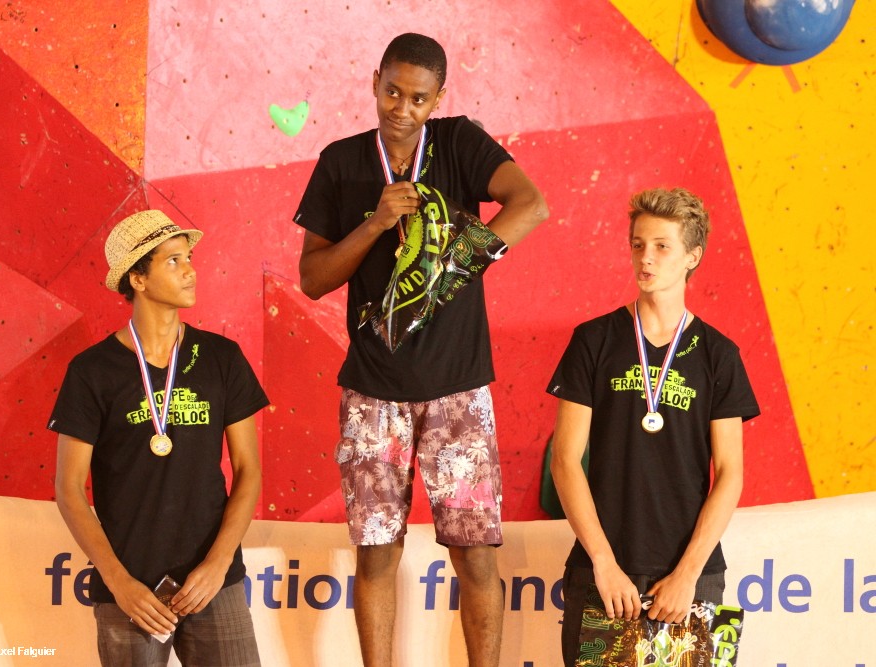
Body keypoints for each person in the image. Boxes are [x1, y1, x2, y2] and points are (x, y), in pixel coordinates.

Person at [293, 32, 548, 667]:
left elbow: (531, 204)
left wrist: (455, 266)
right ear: (374, 82)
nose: (401, 109)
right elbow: (313, 278)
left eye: (417, 98)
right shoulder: (341, 162)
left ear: (438, 99)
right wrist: (376, 223)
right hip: (372, 392)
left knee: (475, 555)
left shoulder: (460, 142)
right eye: (392, 92)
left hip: (458, 388)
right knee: (377, 554)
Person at [547, 187, 760, 666]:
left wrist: (689, 573)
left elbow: (730, 473)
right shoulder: (593, 340)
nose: (646, 257)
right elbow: (565, 460)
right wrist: (603, 562)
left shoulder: (719, 355)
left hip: (691, 578)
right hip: (604, 573)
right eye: (638, 244)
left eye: (662, 246)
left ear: (692, 256)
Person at [49, 209, 268, 666]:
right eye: (172, 260)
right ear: (138, 279)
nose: (190, 270)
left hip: (213, 583)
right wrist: (119, 582)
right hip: (132, 592)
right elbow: (69, 489)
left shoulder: (222, 358)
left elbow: (248, 470)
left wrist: (217, 565)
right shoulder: (91, 371)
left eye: (189, 258)